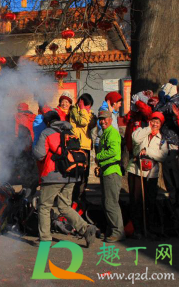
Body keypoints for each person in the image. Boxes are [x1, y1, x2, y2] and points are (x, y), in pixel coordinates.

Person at [33, 111, 96, 246]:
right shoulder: (70, 132)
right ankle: (86, 228)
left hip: (52, 176)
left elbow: (40, 155)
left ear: (48, 122)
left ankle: (45, 239)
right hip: (70, 175)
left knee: (44, 206)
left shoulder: (47, 132)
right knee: (65, 207)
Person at [126, 112, 168, 238]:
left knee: (150, 201)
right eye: (153, 121)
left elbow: (163, 155)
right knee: (136, 200)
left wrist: (148, 151)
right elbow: (135, 139)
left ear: (161, 125)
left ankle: (148, 228)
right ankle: (137, 229)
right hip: (136, 171)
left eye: (158, 122)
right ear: (149, 121)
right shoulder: (142, 131)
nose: (155, 124)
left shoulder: (162, 139)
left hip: (151, 174)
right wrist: (148, 129)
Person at [95, 110, 125, 242]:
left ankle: (118, 231)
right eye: (100, 119)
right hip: (107, 171)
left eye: (105, 119)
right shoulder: (105, 133)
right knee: (106, 202)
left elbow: (113, 151)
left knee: (111, 203)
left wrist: (98, 157)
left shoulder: (112, 133)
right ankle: (111, 229)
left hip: (112, 172)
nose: (102, 121)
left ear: (111, 120)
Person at [69, 93, 97, 202]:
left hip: (86, 146)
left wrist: (89, 114)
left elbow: (91, 124)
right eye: (87, 105)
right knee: (78, 174)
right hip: (78, 146)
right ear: (81, 102)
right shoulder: (75, 110)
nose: (89, 108)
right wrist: (83, 109)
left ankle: (82, 197)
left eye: (90, 106)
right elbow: (83, 121)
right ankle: (76, 198)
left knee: (85, 174)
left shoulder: (86, 112)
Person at [12, 102, 37, 189]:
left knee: (22, 165)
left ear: (19, 109)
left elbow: (15, 132)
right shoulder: (34, 117)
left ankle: (24, 186)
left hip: (21, 145)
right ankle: (29, 186)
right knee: (30, 166)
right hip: (33, 144)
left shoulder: (17, 117)